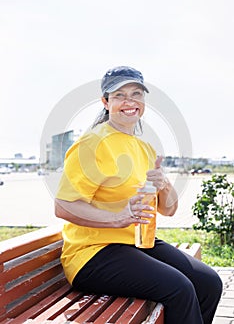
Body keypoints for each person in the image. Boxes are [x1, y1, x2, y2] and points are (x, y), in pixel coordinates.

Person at [55, 66, 222, 324]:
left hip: (137, 243)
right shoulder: (91, 144)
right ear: (105, 102)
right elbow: (63, 206)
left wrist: (164, 184)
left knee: (209, 282)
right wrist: (117, 218)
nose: (129, 101)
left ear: (143, 102)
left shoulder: (144, 148)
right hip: (93, 253)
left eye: (136, 94)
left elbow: (168, 209)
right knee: (180, 288)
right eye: (120, 95)